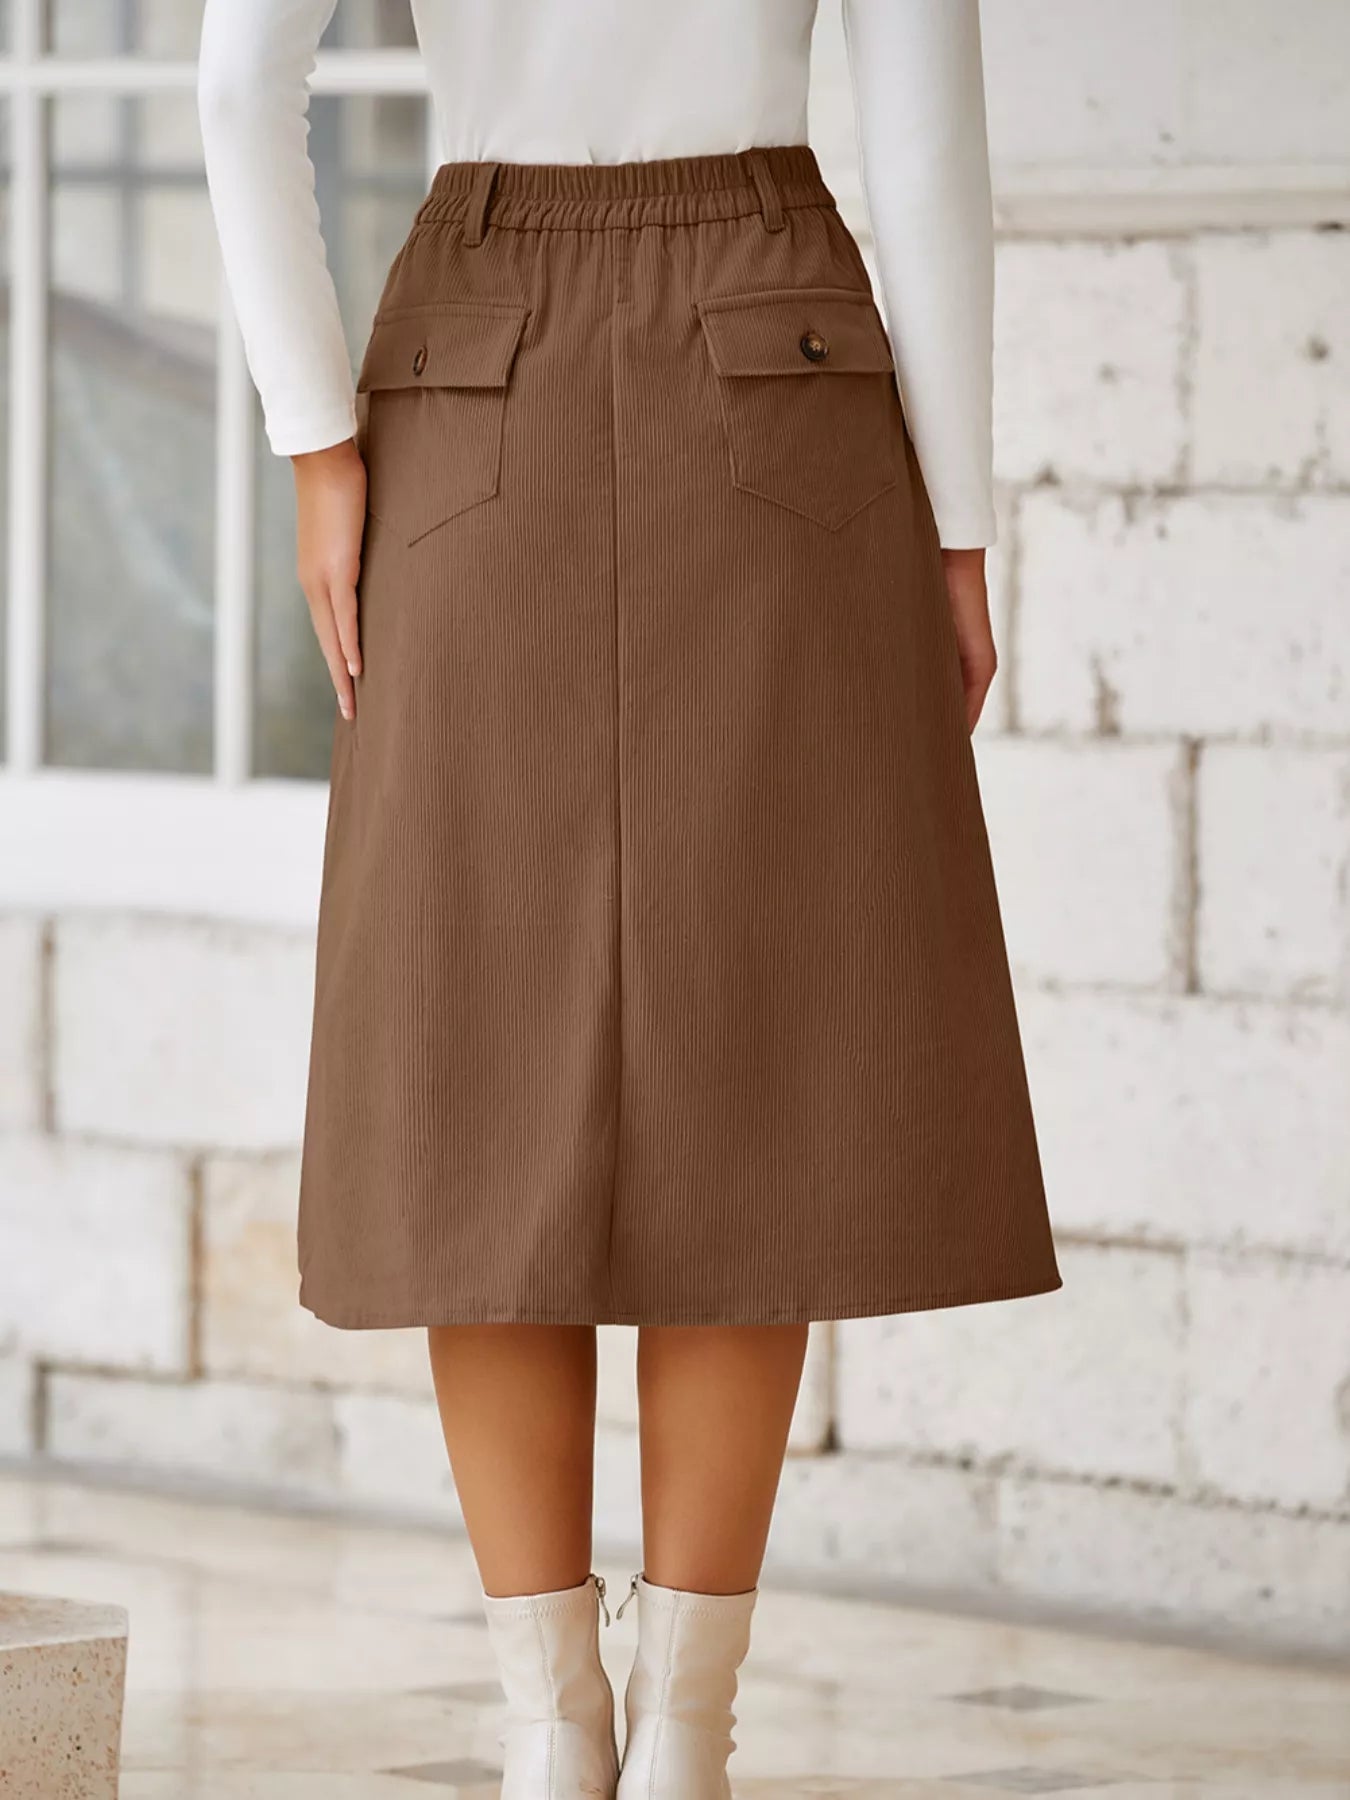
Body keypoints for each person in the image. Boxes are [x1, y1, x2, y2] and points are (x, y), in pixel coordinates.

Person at [197, 2, 1061, 1793]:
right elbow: (923, 145)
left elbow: (235, 79)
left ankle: (549, 1729)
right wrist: (958, 523)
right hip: (775, 335)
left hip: (470, 359)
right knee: (753, 1048)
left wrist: (315, 443)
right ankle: (684, 1734)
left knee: (479, 1056)